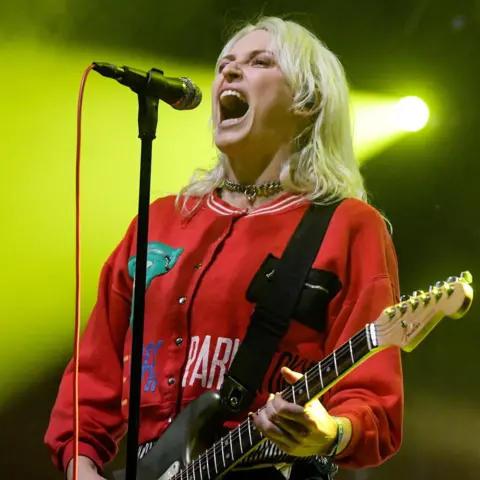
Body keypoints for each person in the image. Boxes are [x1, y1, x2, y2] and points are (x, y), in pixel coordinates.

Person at [45, 16, 403, 480]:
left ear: (307, 101)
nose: (229, 73)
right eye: (224, 65)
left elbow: (375, 400)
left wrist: (329, 432)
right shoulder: (159, 221)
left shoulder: (347, 226)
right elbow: (92, 374)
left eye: (259, 62)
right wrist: (82, 468)